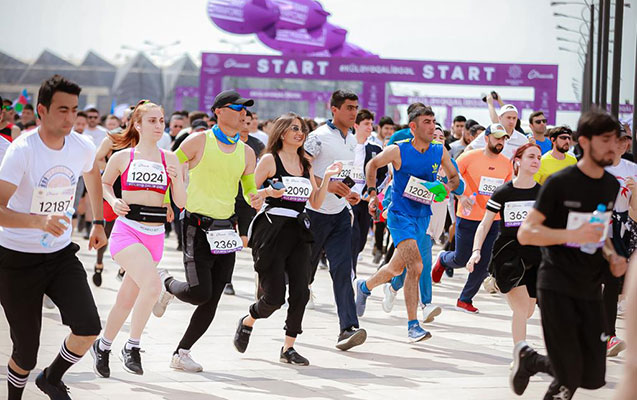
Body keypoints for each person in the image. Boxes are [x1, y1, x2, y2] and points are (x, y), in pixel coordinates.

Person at [0, 74, 107, 400]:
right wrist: (38, 222)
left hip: (60, 255)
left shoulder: (81, 145)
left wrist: (99, 222)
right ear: (42, 110)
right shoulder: (22, 150)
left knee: (88, 327)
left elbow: (92, 174)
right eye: (62, 109)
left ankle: (51, 378)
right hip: (16, 259)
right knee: (25, 352)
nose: (70, 117)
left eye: (74, 109)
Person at [512, 110, 626, 399]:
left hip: (590, 287)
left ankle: (531, 360)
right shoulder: (560, 183)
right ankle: (533, 360)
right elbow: (527, 233)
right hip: (557, 283)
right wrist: (571, 235)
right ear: (584, 142)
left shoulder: (610, 185)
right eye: (606, 140)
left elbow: (598, 231)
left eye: (616, 140)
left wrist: (612, 255)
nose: (614, 146)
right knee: (569, 371)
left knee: (592, 376)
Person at [152, 90, 263, 372]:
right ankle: (166, 283)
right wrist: (167, 201)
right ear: (219, 111)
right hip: (196, 226)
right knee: (200, 293)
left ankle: (181, 353)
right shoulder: (199, 141)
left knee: (212, 299)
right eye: (237, 108)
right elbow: (170, 166)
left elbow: (248, 187)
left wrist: (255, 196)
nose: (243, 114)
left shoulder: (247, 152)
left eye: (245, 110)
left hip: (226, 230)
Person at [233, 113, 342, 365]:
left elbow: (315, 202)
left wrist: (326, 178)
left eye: (302, 128)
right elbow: (248, 193)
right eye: (294, 128)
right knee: (273, 298)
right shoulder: (270, 159)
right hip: (271, 229)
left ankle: (288, 347)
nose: (300, 132)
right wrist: (267, 192)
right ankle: (248, 320)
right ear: (282, 132)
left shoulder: (306, 164)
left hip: (298, 230)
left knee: (301, 292)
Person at [90, 100, 186, 377]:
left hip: (155, 235)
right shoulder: (123, 157)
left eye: (161, 120)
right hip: (127, 231)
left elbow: (181, 202)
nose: (159, 125)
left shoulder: (170, 158)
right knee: (153, 287)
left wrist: (176, 180)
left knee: (126, 299)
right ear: (138, 124)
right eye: (152, 120)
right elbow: (104, 183)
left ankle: (103, 346)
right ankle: (132, 346)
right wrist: (113, 200)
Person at [355, 106, 459, 342]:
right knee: (416, 266)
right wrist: (372, 194)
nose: (432, 126)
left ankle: (364, 287)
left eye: (434, 121)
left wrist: (445, 187)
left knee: (395, 269)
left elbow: (454, 178)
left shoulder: (439, 150)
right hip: (400, 216)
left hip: (423, 217)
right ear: (413, 127)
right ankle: (413, 326)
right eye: (426, 122)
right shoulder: (398, 150)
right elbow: (372, 165)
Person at [303, 89, 367, 351]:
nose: (354, 112)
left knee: (342, 270)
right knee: (302, 274)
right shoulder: (318, 137)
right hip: (313, 213)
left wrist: (348, 192)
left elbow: (345, 174)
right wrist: (326, 186)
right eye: (349, 108)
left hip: (339, 215)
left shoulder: (352, 139)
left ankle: (347, 328)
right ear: (334, 109)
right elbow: (301, 167)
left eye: (356, 108)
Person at [382, 125, 465, 323]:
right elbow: (395, 185)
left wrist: (447, 181)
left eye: (441, 137)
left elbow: (460, 187)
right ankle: (426, 305)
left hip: (434, 219)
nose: (437, 139)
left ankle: (392, 287)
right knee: (424, 263)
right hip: (412, 218)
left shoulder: (448, 163)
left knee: (407, 265)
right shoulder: (414, 158)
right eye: (433, 136)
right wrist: (386, 205)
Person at [432, 123, 513, 313]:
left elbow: (507, 189)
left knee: (484, 263)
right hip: (468, 217)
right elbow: (450, 177)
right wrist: (461, 196)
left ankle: (465, 299)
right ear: (486, 138)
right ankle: (443, 259)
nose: (500, 142)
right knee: (461, 259)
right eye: (497, 137)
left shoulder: (506, 163)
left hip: (493, 219)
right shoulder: (469, 157)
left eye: (503, 139)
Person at [466, 143, 542, 345]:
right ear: (518, 161)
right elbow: (484, 224)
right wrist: (476, 251)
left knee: (528, 311)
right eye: (531, 156)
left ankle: (496, 282)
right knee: (521, 308)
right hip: (509, 253)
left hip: (535, 255)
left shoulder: (543, 193)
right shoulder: (503, 192)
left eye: (538, 157)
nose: (536, 161)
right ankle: (520, 355)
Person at [603, 128, 637, 357]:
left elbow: (635, 210)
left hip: (623, 229)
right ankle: (608, 335)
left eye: (626, 141)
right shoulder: (598, 167)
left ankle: (606, 334)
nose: (623, 144)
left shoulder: (632, 169)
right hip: (598, 226)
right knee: (607, 281)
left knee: (616, 284)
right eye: (619, 140)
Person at [225, 110, 265, 295]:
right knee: (227, 240)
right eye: (242, 121)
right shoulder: (226, 143)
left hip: (248, 200)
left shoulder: (258, 145)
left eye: (248, 122)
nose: (245, 126)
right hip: (227, 198)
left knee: (248, 240)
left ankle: (261, 281)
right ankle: (227, 280)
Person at [351, 109, 387, 272]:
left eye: (371, 124)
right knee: (350, 239)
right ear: (356, 125)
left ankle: (350, 266)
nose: (369, 127)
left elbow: (384, 174)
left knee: (360, 241)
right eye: (366, 123)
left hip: (365, 202)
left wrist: (373, 192)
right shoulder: (346, 146)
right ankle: (349, 272)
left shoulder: (375, 149)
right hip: (347, 201)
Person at [465, 98, 530, 158]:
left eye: (514, 118)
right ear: (500, 118)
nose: (511, 121)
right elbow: (469, 149)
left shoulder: (523, 140)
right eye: (508, 117)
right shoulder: (489, 134)